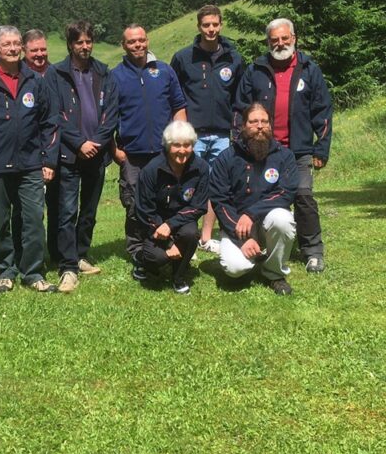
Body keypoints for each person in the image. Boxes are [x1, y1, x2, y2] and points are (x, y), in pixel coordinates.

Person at [0, 26, 59, 293]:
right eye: (6, 44)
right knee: (0, 222)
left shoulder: (35, 81)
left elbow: (50, 123)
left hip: (31, 165)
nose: (13, 48)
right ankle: (5, 270)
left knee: (34, 220)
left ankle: (33, 272)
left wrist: (48, 160)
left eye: (17, 43)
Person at [235, 18, 332, 273]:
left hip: (299, 151)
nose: (280, 43)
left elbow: (322, 111)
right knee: (259, 197)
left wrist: (321, 148)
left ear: (294, 38)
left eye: (284, 38)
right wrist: (239, 142)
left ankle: (313, 251)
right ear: (268, 42)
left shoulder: (309, 69)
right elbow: (240, 109)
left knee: (303, 195)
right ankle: (257, 242)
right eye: (274, 40)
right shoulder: (255, 70)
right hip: (263, 150)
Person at [111, 25, 187, 280]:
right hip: (132, 154)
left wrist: (180, 141)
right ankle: (139, 253)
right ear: (124, 45)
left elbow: (178, 107)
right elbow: (108, 118)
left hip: (164, 154)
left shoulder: (164, 71)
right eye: (132, 41)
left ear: (147, 40)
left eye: (142, 40)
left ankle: (169, 246)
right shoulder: (116, 76)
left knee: (167, 202)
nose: (138, 45)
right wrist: (114, 151)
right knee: (134, 205)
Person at [169, 4, 245, 254]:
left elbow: (239, 98)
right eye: (206, 25)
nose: (211, 29)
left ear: (221, 25)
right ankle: (184, 236)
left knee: (217, 186)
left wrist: (237, 130)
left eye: (215, 24)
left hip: (222, 134)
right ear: (199, 27)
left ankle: (205, 237)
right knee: (187, 185)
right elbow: (173, 95)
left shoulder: (234, 58)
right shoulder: (183, 58)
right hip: (192, 136)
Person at [51, 20, 118, 293]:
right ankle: (68, 266)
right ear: (70, 45)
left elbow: (111, 113)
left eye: (88, 41)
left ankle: (81, 254)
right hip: (70, 155)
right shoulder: (57, 74)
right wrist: (79, 143)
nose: (85, 46)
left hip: (97, 155)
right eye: (79, 42)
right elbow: (55, 114)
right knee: (67, 212)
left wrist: (97, 143)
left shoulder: (103, 72)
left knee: (89, 211)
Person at [209, 103, 298, 295]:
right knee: (235, 269)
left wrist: (251, 213)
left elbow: (287, 192)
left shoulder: (285, 156)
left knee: (283, 219)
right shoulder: (226, 158)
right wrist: (242, 238)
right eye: (254, 121)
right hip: (237, 226)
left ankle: (274, 273)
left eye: (264, 121)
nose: (259, 126)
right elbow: (220, 201)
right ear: (243, 126)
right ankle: (251, 256)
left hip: (268, 223)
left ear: (270, 125)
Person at [134, 120, 209, 294]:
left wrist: (171, 224)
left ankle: (178, 277)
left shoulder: (202, 168)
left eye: (187, 145)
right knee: (156, 257)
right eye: (176, 145)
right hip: (155, 222)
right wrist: (168, 243)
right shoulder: (151, 170)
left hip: (183, 219)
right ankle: (143, 261)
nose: (182, 150)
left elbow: (198, 206)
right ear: (168, 146)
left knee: (191, 233)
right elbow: (144, 209)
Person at [19, 28, 61, 263]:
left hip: (56, 152)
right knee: (30, 211)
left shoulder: (56, 74)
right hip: (27, 155)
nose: (40, 54)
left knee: (57, 206)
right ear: (24, 51)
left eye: (43, 49)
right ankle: (25, 253)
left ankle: (55, 252)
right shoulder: (20, 75)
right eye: (34, 50)